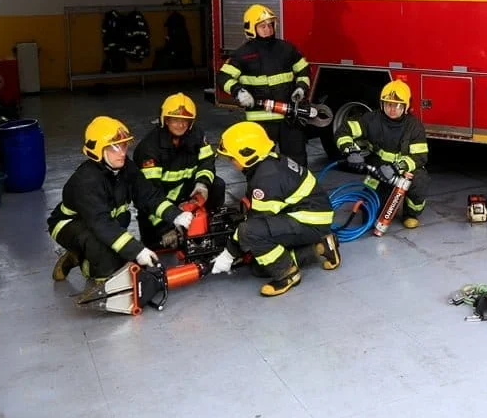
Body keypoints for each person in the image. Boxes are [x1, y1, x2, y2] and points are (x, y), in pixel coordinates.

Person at [49, 116, 193, 284]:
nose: (122, 152)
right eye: (114, 147)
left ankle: (82, 254)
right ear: (97, 150)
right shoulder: (86, 182)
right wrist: (138, 251)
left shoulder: (126, 167)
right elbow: (102, 224)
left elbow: (148, 195)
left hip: (102, 223)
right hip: (70, 224)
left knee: (120, 252)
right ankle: (91, 269)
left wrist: (175, 215)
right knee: (107, 258)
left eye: (124, 145)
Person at [210, 121, 339, 297]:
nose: (232, 163)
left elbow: (254, 226)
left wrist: (229, 253)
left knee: (249, 233)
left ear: (248, 154)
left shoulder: (265, 178)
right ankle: (322, 247)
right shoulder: (268, 162)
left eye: (232, 158)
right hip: (311, 215)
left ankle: (288, 274)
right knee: (259, 268)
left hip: (310, 221)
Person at [216, 3, 312, 167]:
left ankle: (299, 191)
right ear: (251, 28)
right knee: (262, 162)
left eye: (270, 25)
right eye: (262, 26)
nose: (268, 29)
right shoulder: (242, 55)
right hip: (260, 121)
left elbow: (304, 69)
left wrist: (301, 88)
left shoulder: (286, 49)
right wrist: (239, 92)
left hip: (289, 117)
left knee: (297, 161)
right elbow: (223, 77)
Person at [133, 93, 226, 249]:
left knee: (217, 185)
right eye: (175, 120)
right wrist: (166, 227)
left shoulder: (197, 135)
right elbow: (148, 195)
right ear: (165, 120)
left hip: (187, 193)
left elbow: (207, 162)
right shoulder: (149, 150)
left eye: (185, 121)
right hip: (159, 206)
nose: (181, 125)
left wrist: (201, 185)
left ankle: (206, 224)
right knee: (159, 244)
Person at [334, 80, 430, 229]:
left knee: (420, 182)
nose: (392, 109)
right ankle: (373, 205)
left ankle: (410, 214)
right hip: (378, 166)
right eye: (388, 104)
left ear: (406, 107)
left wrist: (396, 167)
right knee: (371, 214)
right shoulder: (371, 119)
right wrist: (351, 150)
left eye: (397, 106)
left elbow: (420, 157)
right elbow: (343, 131)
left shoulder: (414, 126)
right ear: (381, 104)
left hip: (404, 168)